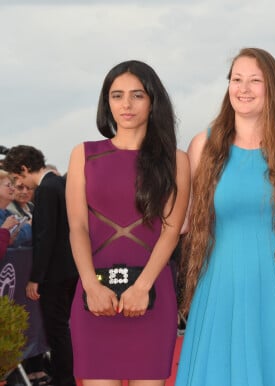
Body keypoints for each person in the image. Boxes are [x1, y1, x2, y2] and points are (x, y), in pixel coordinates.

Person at [176, 47, 275, 386]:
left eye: (255, 80)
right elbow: (184, 222)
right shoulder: (204, 146)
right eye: (236, 79)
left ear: (271, 87)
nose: (243, 89)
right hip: (221, 283)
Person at [65, 60, 190, 385]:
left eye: (137, 95)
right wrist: (91, 286)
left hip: (151, 296)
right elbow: (77, 226)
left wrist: (142, 287)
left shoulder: (175, 160)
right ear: (106, 102)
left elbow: (171, 229)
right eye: (117, 95)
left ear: (152, 101)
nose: (126, 104)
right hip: (94, 299)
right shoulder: (84, 154)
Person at [2, 146, 78, 386]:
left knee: (57, 329)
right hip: (68, 267)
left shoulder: (46, 189)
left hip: (55, 272)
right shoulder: (57, 183)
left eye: (16, 177)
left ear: (24, 168)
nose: (17, 183)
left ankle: (64, 378)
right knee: (61, 327)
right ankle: (65, 376)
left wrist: (36, 278)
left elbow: (45, 237)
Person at [0, 170, 32, 248]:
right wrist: (30, 224)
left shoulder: (8, 213)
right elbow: (17, 238)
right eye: (8, 185)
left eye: (12, 185)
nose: (13, 189)